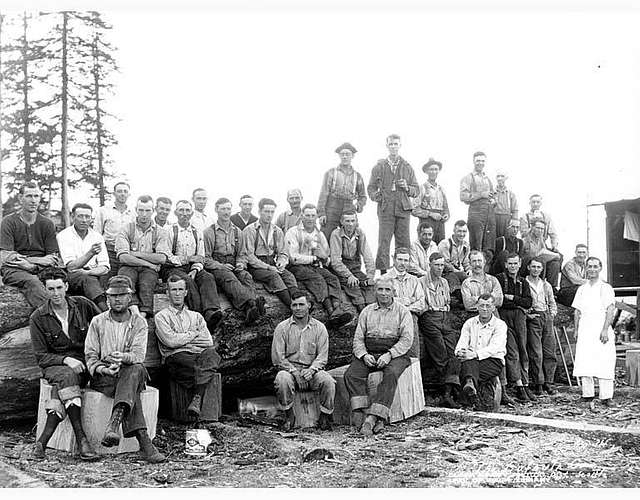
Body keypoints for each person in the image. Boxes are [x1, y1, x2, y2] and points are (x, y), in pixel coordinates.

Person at [85, 275, 165, 463]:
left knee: (135, 368)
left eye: (122, 295)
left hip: (128, 372)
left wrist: (123, 357)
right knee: (132, 384)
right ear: (107, 298)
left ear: (130, 298)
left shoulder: (139, 322)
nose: (118, 299)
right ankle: (145, 444)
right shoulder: (97, 321)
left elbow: (138, 355)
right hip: (105, 377)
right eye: (113, 296)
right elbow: (90, 356)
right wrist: (104, 369)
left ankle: (114, 425)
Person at [29, 268, 100, 461]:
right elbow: (41, 357)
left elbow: (102, 325)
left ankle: (42, 443)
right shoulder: (38, 317)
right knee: (66, 377)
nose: (56, 293)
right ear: (45, 290)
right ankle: (82, 439)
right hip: (55, 366)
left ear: (66, 286)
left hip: (84, 363)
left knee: (60, 388)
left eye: (59, 287)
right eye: (50, 289)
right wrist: (65, 360)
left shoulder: (83, 305)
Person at [345, 277, 414, 436]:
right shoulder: (367, 311)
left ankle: (373, 417)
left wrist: (390, 355)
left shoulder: (403, 312)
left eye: (387, 290)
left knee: (390, 375)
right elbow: (358, 339)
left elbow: (406, 340)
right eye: (380, 289)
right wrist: (363, 355)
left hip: (395, 353)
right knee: (351, 374)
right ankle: (361, 412)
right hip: (370, 352)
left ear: (394, 292)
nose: (384, 293)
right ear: (375, 291)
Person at [154, 274, 221, 419]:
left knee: (212, 355)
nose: (177, 293)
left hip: (196, 357)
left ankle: (196, 399)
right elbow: (170, 342)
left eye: (180, 289)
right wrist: (192, 335)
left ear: (185, 292)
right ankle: (198, 396)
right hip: (176, 358)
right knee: (198, 365)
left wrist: (181, 340)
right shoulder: (161, 316)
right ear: (167, 293)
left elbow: (208, 342)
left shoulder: (196, 316)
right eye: (173, 290)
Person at [271, 291, 336, 431]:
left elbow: (322, 357)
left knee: (328, 381)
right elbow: (278, 358)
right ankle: (289, 416)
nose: (298, 308)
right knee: (282, 380)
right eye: (294, 305)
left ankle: (324, 417)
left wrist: (312, 370)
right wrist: (294, 372)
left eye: (301, 304)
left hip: (312, 370)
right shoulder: (282, 328)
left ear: (309, 306)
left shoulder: (319, 328)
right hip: (290, 370)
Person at [285, 204, 352, 328]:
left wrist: (324, 258)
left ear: (316, 216)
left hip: (315, 265)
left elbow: (326, 254)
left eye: (313, 215)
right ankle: (330, 311)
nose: (310, 218)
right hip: (297, 266)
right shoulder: (293, 232)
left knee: (332, 278)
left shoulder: (318, 233)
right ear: (302, 216)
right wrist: (313, 258)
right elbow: (293, 257)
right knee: (317, 279)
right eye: (307, 215)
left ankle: (337, 308)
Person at [161, 199, 223, 331]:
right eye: (181, 210)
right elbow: (166, 256)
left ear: (192, 213)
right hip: (173, 267)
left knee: (207, 277)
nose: (184, 214)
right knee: (186, 281)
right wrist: (187, 259)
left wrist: (195, 270)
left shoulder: (197, 231)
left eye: (187, 210)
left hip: (192, 267)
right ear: (176, 212)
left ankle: (211, 312)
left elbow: (200, 256)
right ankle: (198, 315)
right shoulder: (168, 230)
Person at [204, 197, 264, 325]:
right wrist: (220, 266)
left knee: (246, 276)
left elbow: (242, 253)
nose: (226, 212)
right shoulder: (209, 232)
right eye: (223, 209)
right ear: (216, 210)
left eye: (228, 209)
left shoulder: (238, 231)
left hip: (233, 263)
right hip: (217, 266)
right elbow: (206, 258)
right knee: (229, 277)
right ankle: (249, 305)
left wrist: (240, 263)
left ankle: (254, 307)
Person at [0, 181, 60, 308]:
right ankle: (52, 319)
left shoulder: (47, 223)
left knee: (62, 281)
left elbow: (53, 258)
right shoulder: (8, 222)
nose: (33, 200)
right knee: (32, 281)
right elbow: (6, 257)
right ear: (20, 198)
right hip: (14, 269)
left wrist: (31, 265)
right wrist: (39, 260)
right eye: (29, 196)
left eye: (36, 196)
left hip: (41, 268)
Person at [367, 134, 419, 272]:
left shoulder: (407, 167)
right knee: (384, 241)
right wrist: (376, 196)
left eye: (396, 144)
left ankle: (404, 272)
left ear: (400, 146)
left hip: (403, 208)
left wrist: (407, 187)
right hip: (386, 208)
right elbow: (371, 188)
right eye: (391, 144)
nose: (393, 147)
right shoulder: (379, 167)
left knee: (403, 242)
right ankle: (383, 273)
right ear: (387, 146)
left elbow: (416, 190)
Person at [115, 195, 172, 318]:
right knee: (126, 279)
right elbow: (123, 257)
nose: (144, 214)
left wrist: (135, 254)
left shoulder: (161, 232)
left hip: (148, 270)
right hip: (129, 266)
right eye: (141, 210)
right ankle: (135, 311)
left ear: (153, 211)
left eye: (147, 210)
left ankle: (144, 314)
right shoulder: (126, 228)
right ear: (136, 209)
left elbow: (162, 258)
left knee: (146, 284)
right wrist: (149, 263)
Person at [572, 257, 617, 407]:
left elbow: (610, 310)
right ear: (585, 268)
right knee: (585, 360)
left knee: (604, 360)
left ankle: (606, 397)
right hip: (585, 328)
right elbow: (577, 311)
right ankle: (587, 394)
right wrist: (577, 330)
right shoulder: (582, 289)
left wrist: (605, 329)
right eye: (589, 266)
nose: (592, 269)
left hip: (600, 327)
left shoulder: (605, 288)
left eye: (595, 266)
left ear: (600, 268)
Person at [418, 252, 460, 408]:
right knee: (440, 353)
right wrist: (433, 308)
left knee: (453, 351)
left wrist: (443, 309)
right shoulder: (421, 282)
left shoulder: (444, 282)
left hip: (444, 317)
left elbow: (447, 302)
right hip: (429, 317)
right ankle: (448, 391)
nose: (440, 268)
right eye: (437, 265)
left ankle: (450, 389)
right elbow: (423, 304)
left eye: (442, 265)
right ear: (429, 265)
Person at [242, 198, 298, 307]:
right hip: (256, 266)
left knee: (289, 276)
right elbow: (249, 256)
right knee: (274, 276)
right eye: (266, 212)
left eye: (272, 212)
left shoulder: (277, 231)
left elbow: (283, 252)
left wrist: (281, 262)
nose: (269, 215)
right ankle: (292, 307)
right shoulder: (250, 230)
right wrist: (268, 267)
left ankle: (300, 303)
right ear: (259, 212)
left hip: (272, 262)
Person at [455, 294, 507, 408]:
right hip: (471, 359)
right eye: (482, 305)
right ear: (477, 307)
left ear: (493, 308)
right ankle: (471, 386)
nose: (484, 309)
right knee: (462, 362)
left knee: (466, 365)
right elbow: (463, 340)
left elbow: (495, 347)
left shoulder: (500, 325)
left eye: (488, 306)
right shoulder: (470, 323)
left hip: (493, 361)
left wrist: (474, 354)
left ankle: (467, 393)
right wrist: (460, 351)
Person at [56, 203, 109, 312]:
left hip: (93, 273)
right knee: (87, 280)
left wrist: (89, 272)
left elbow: (105, 267)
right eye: (80, 216)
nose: (84, 220)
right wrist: (91, 253)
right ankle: (105, 312)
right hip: (73, 276)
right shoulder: (64, 235)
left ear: (91, 219)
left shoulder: (97, 237)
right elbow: (71, 267)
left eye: (87, 217)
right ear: (72, 217)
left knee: (95, 279)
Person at [496, 253, 535, 402]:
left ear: (520, 265)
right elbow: (500, 301)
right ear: (506, 264)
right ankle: (518, 386)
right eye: (510, 263)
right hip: (505, 316)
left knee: (523, 350)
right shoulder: (500, 279)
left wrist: (513, 298)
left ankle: (525, 384)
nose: (513, 266)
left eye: (515, 263)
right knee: (512, 351)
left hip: (520, 317)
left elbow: (528, 302)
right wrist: (518, 303)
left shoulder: (523, 282)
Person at [317, 142, 367, 241]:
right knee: (325, 237)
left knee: (351, 237)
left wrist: (358, 205)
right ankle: (322, 257)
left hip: (349, 208)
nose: (344, 157)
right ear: (339, 156)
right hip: (332, 208)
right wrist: (322, 213)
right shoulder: (331, 173)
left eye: (347, 154)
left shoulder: (357, 176)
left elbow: (363, 196)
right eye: (342, 154)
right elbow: (323, 194)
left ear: (352, 156)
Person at [328, 210, 375, 313]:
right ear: (342, 222)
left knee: (370, 287)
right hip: (340, 270)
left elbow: (368, 256)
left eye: (353, 221)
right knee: (354, 288)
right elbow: (335, 261)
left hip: (355, 269)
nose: (350, 224)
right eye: (347, 221)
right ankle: (362, 314)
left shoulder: (360, 233)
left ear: (356, 221)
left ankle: (373, 314)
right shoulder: (336, 234)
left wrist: (370, 276)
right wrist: (349, 276)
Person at [525, 257, 558, 396]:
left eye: (538, 267)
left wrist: (551, 314)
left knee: (549, 350)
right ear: (528, 267)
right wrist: (528, 314)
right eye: (533, 267)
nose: (536, 269)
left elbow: (552, 302)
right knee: (536, 352)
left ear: (542, 269)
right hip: (534, 317)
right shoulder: (524, 282)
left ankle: (548, 382)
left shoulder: (546, 285)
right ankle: (538, 382)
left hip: (546, 317)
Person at [93, 181, 134, 278]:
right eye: (119, 191)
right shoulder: (103, 211)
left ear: (129, 194)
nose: (122, 194)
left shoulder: (133, 213)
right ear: (114, 194)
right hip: (109, 252)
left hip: (127, 253)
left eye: (125, 191)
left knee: (124, 281)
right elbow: (96, 234)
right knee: (106, 281)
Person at [459, 151, 496, 255]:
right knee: (477, 245)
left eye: (482, 161)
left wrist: (494, 201)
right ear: (473, 161)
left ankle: (486, 270)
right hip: (476, 214)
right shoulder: (468, 178)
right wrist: (481, 194)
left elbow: (492, 195)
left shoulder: (487, 178)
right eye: (478, 161)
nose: (480, 163)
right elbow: (463, 196)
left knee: (488, 246)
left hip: (489, 214)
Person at [411, 158, 450, 243]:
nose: (433, 172)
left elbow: (446, 208)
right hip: (426, 222)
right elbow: (414, 210)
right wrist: (430, 214)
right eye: (431, 169)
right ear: (426, 171)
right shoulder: (422, 188)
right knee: (426, 246)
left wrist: (446, 215)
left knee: (440, 246)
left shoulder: (441, 189)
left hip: (440, 223)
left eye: (436, 169)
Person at [386, 247, 426, 316]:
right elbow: (384, 301)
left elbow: (422, 303)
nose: (402, 263)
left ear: (409, 262)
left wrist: (407, 308)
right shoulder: (384, 279)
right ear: (394, 259)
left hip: (410, 317)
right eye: (400, 259)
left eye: (406, 260)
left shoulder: (414, 280)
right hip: (391, 318)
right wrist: (410, 300)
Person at [522, 219, 562, 289]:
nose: (540, 231)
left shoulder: (541, 240)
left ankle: (551, 288)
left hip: (540, 267)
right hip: (528, 267)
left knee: (555, 264)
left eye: (542, 229)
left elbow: (545, 252)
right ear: (532, 228)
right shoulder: (525, 241)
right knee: (541, 260)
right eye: (538, 228)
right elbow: (524, 258)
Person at [438, 220, 471, 295]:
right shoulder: (445, 244)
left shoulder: (466, 245)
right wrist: (456, 271)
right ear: (454, 231)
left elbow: (466, 262)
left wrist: (469, 270)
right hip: (445, 273)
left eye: (464, 231)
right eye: (459, 231)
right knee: (456, 285)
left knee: (471, 281)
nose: (462, 234)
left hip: (459, 272)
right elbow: (444, 263)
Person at [493, 171, 519, 240]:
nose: (500, 178)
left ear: (506, 178)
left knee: (506, 239)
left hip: (507, 219)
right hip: (494, 218)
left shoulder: (510, 194)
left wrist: (514, 222)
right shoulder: (492, 192)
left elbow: (515, 210)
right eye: (498, 176)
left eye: (502, 176)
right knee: (494, 238)